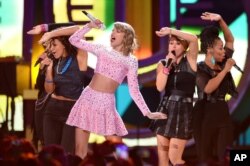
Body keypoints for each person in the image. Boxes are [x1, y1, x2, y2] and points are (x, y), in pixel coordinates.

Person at [39, 20, 167, 159]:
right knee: (79, 151)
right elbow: (74, 40)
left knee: (117, 146)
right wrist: (89, 26)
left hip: (106, 102)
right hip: (87, 98)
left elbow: (134, 90)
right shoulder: (102, 49)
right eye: (112, 30)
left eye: (117, 31)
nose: (112, 33)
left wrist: (147, 113)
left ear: (126, 37)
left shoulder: (131, 61)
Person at [27, 23, 87, 154]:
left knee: (65, 154)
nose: (51, 49)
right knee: (50, 154)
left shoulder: (79, 58)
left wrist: (49, 32)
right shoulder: (55, 62)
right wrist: (48, 71)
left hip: (72, 110)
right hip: (53, 109)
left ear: (64, 44)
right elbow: (49, 90)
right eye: (50, 45)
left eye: (54, 45)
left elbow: (79, 30)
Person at [193, 12, 238, 165]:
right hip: (205, 114)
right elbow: (207, 88)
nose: (224, 51)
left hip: (222, 112)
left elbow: (230, 39)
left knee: (225, 157)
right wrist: (225, 70)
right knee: (205, 158)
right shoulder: (200, 69)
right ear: (210, 49)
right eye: (220, 48)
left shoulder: (223, 60)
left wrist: (220, 20)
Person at [149, 26, 198, 166]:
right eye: (171, 43)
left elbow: (194, 39)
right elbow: (159, 87)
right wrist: (167, 68)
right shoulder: (163, 64)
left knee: (174, 158)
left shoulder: (190, 59)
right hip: (165, 110)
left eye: (178, 43)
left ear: (185, 47)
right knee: (163, 160)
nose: (174, 46)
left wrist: (171, 31)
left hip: (183, 112)